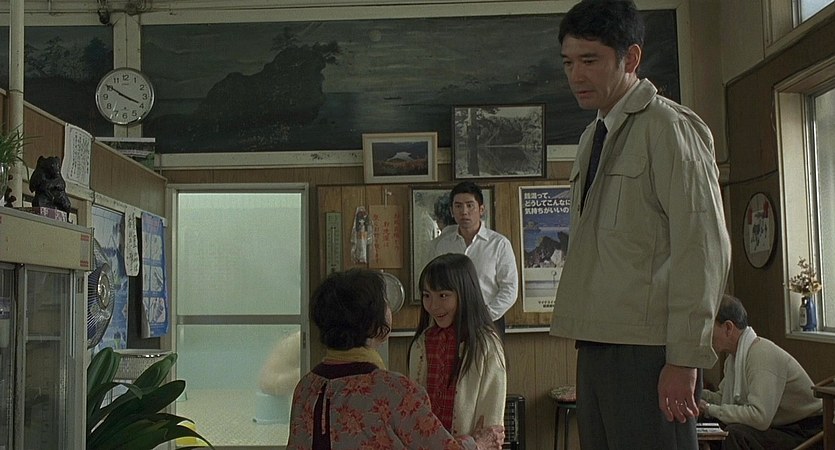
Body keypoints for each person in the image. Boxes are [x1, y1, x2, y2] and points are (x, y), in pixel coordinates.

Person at [548, 1, 732, 449]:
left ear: (630, 58)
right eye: (568, 63)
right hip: (596, 339)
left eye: (590, 60)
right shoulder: (593, 136)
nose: (576, 75)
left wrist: (684, 359)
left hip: (650, 349)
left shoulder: (669, 128)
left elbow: (703, 248)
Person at [287, 268, 505, 450]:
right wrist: (478, 443)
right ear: (375, 325)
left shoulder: (306, 387)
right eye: (385, 303)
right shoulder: (394, 391)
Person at [699, 295, 823, 450]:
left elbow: (759, 417)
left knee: (734, 434)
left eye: (709, 327)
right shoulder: (733, 359)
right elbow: (724, 399)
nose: (705, 334)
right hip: (778, 426)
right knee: (708, 424)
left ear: (728, 328)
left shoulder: (761, 355)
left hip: (805, 431)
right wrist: (698, 396)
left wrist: (709, 408)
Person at [408, 253, 507, 437]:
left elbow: (491, 413)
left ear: (465, 294)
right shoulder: (423, 343)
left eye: (443, 295)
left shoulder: (484, 344)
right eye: (427, 295)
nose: (433, 305)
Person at [429, 181, 518, 336]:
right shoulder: (443, 245)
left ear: (481, 209)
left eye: (470, 205)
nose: (464, 212)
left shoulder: (499, 244)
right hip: (451, 323)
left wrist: (486, 315)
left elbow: (510, 288)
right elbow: (435, 285)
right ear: (451, 211)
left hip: (489, 322)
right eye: (458, 206)